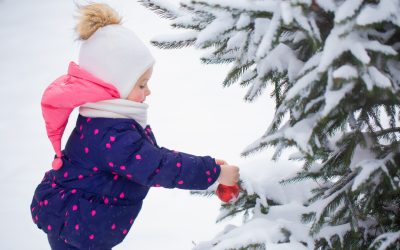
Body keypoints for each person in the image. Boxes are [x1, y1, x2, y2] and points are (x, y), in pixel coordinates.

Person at [30, 3, 239, 250]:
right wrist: (212, 172)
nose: (148, 91)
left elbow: (150, 158)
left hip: (81, 223)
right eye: (141, 85)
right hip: (79, 231)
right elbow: (157, 166)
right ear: (114, 86)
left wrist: (209, 172)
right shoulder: (111, 133)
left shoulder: (106, 119)